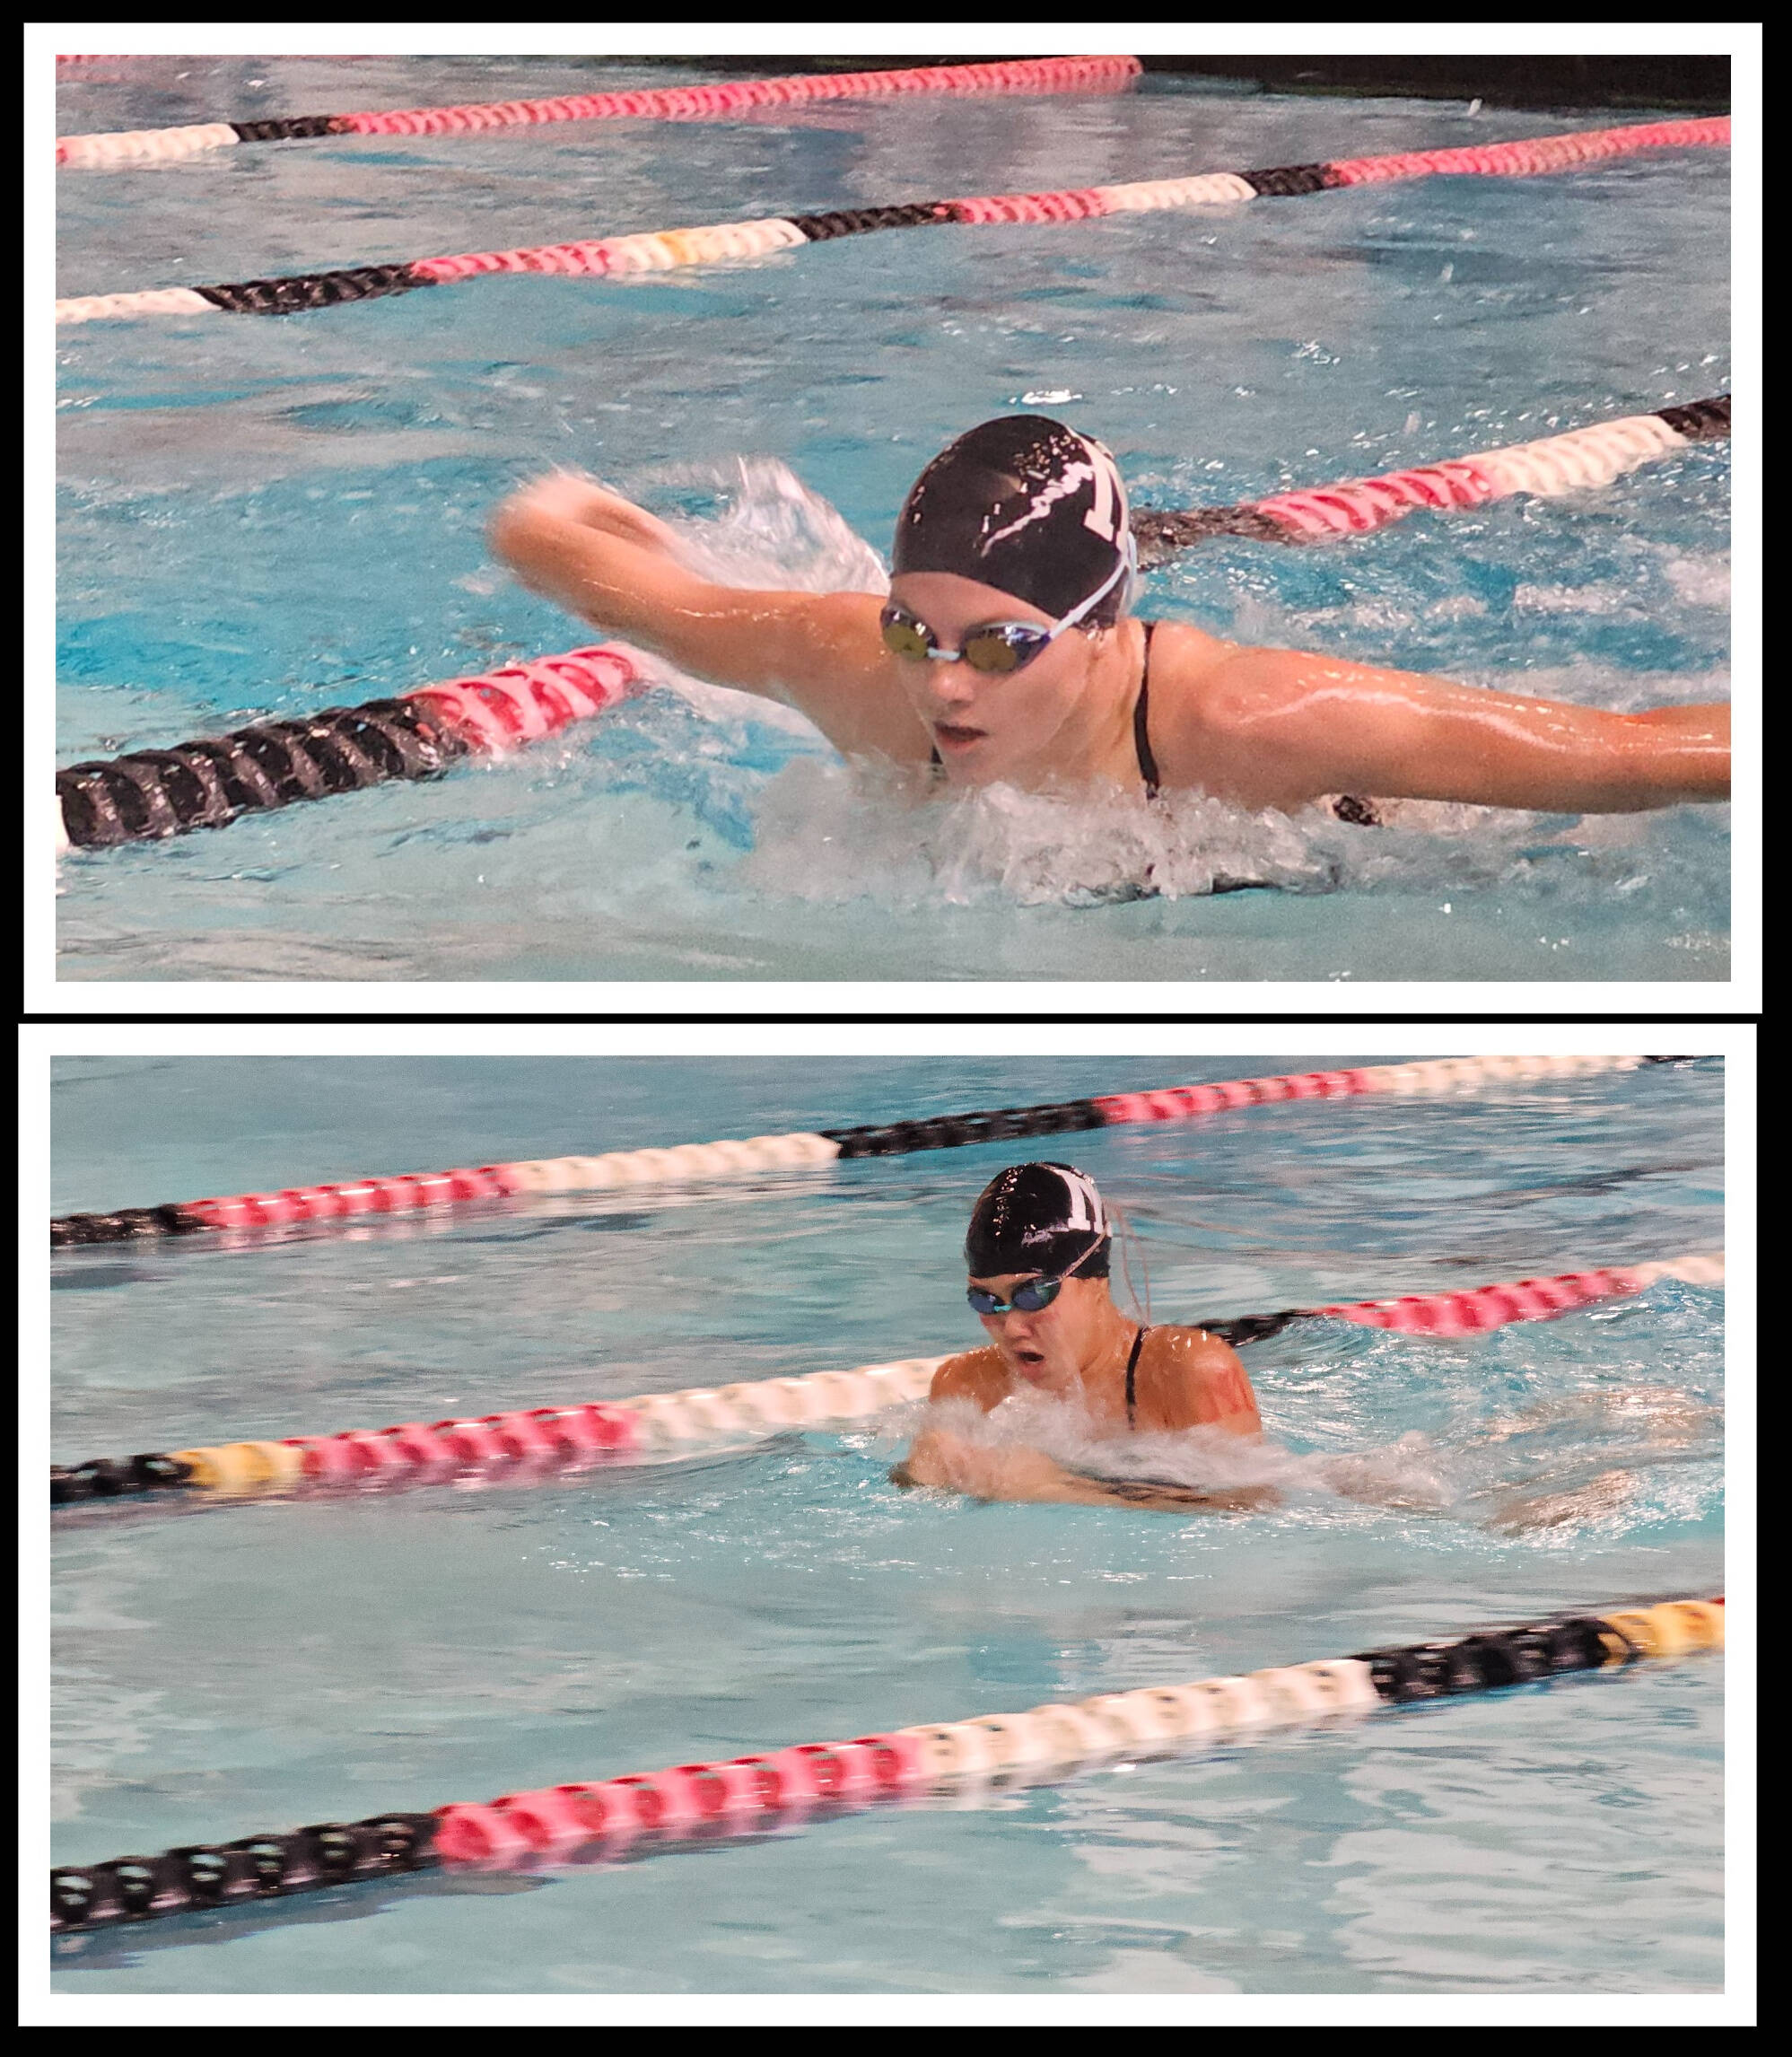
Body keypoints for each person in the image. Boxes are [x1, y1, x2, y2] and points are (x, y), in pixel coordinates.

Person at [489, 414, 1729, 820]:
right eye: (914, 631)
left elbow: (1622, 756)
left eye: (997, 646)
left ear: (1095, 631)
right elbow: (575, 555)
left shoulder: (1256, 720)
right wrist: (584, 524)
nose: (943, 686)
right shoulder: (856, 672)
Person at [890, 1161, 1273, 1512]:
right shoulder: (966, 1386)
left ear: (1095, 1281)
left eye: (1033, 1294)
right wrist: (917, 1476)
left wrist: (1058, 1486)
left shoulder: (1188, 1372)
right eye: (986, 1301)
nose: (1010, 1326)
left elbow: (1249, 1505)